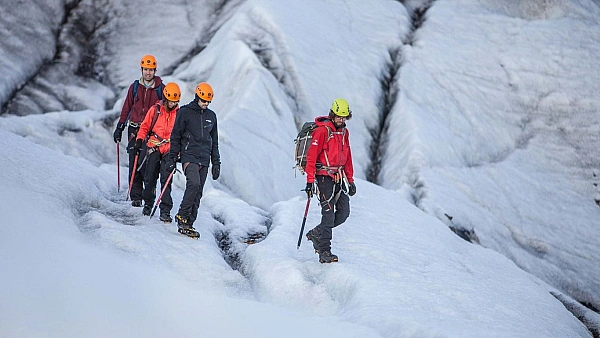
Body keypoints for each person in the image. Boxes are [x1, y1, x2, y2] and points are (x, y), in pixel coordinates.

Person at [303, 98, 356, 263]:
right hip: (323, 178)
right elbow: (311, 158)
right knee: (328, 215)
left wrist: (350, 180)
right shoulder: (323, 131)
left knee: (343, 212)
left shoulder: (344, 133)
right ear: (332, 114)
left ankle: (317, 233)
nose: (342, 120)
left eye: (344, 117)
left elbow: (347, 157)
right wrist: (310, 181)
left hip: (338, 178)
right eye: (339, 117)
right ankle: (324, 252)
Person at [166, 82, 220, 238]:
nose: (205, 104)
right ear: (197, 96)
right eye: (203, 101)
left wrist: (216, 163)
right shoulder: (185, 112)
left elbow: (214, 141)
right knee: (193, 183)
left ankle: (188, 223)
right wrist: (172, 158)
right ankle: (182, 214)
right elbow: (175, 136)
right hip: (189, 156)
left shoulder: (212, 116)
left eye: (208, 102)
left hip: (205, 159)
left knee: (198, 192)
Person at [113, 54, 164, 207]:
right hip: (134, 128)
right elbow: (127, 107)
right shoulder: (134, 87)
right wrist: (120, 126)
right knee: (133, 159)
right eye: (145, 69)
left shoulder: (161, 89)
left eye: (151, 70)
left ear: (155, 70)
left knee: (147, 162)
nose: (148, 72)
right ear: (141, 70)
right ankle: (136, 196)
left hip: (151, 131)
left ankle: (147, 194)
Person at [133, 82, 181, 222]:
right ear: (165, 98)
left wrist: (179, 151)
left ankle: (165, 210)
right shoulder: (155, 110)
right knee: (150, 177)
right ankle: (148, 203)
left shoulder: (179, 114)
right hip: (154, 146)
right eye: (171, 101)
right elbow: (144, 127)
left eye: (175, 101)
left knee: (167, 179)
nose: (173, 104)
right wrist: (139, 140)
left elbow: (182, 133)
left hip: (170, 149)